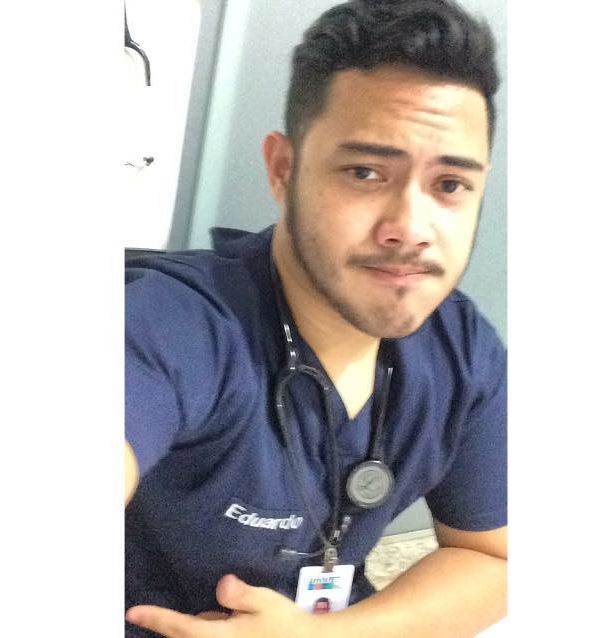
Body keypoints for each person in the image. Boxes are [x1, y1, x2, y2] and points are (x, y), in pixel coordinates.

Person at [124, 0, 507, 636]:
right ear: (284, 169)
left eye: (449, 185)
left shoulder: (463, 351)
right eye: (365, 172)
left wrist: (325, 633)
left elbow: (495, 557)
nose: (410, 228)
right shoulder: (176, 323)